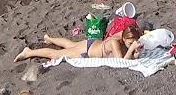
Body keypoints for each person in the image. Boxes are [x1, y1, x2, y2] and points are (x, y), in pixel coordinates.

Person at [13, 23, 143, 64]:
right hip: (87, 51)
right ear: (124, 39)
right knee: (56, 54)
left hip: (92, 44)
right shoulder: (115, 43)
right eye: (130, 42)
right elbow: (121, 63)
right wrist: (132, 50)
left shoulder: (122, 37)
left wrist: (135, 52)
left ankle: (49, 38)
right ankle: (28, 52)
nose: (131, 44)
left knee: (70, 44)